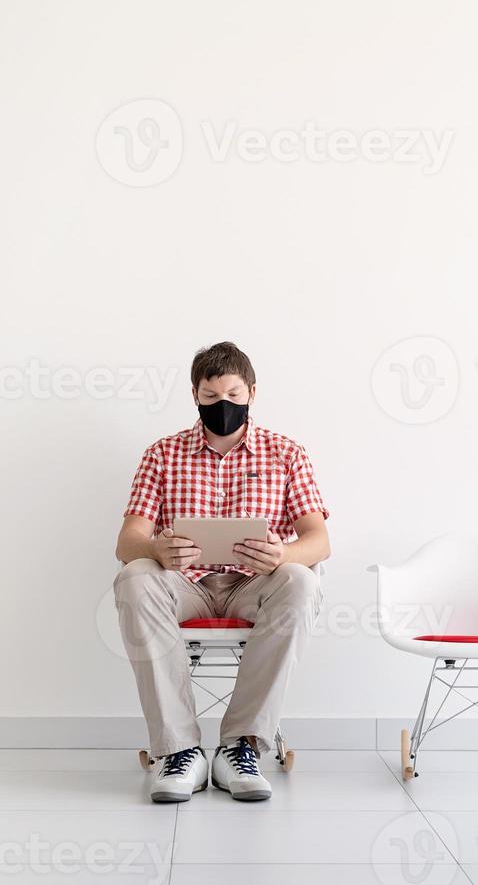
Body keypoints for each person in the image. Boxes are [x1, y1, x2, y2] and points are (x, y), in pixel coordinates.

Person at [114, 341, 330, 803]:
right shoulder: (162, 454)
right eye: (211, 398)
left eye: (233, 394)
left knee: (302, 579)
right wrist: (155, 547)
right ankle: (180, 752)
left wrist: (283, 555)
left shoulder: (286, 453)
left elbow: (319, 540)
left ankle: (240, 747)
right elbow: (127, 542)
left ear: (252, 392)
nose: (223, 406)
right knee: (134, 576)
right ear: (195, 395)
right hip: (183, 585)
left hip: (255, 584)